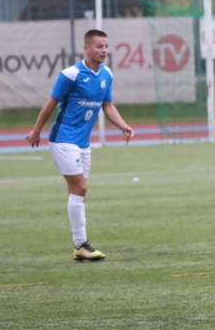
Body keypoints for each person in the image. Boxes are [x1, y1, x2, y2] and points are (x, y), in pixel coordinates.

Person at [26, 29, 134, 261]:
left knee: (79, 191)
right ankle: (80, 244)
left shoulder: (107, 74)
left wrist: (123, 126)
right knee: (80, 187)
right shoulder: (71, 74)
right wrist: (36, 131)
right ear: (87, 48)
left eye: (106, 46)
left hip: (84, 143)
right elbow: (50, 103)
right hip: (63, 139)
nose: (104, 50)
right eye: (99, 46)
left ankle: (80, 247)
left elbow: (107, 105)